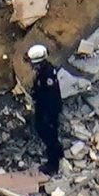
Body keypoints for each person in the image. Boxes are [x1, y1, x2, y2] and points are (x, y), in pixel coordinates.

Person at [29, 44, 65, 175]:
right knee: (46, 132)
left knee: (49, 135)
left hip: (48, 110)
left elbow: (50, 97)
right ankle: (58, 152)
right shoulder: (44, 71)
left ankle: (53, 164)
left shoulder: (47, 74)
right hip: (45, 108)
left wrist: (47, 115)